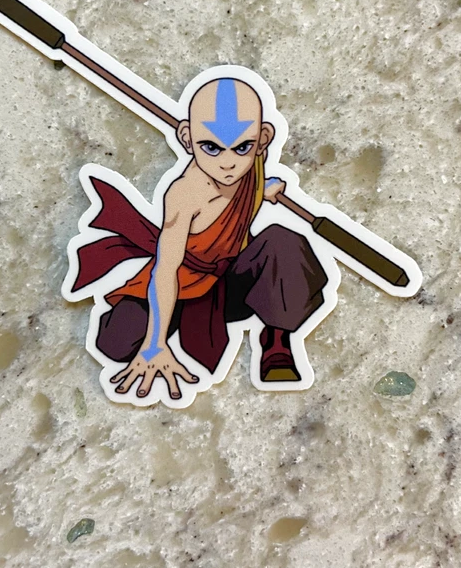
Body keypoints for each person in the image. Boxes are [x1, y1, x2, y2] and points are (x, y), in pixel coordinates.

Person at [69, 77, 328, 400]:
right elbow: (166, 268)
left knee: (283, 242)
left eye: (242, 147)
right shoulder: (184, 194)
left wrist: (262, 189)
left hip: (233, 284)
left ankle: (276, 341)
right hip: (180, 287)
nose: (228, 162)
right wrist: (154, 344)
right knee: (115, 344)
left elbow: (245, 188)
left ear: (263, 139)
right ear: (187, 138)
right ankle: (160, 333)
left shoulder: (253, 170)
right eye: (211, 148)